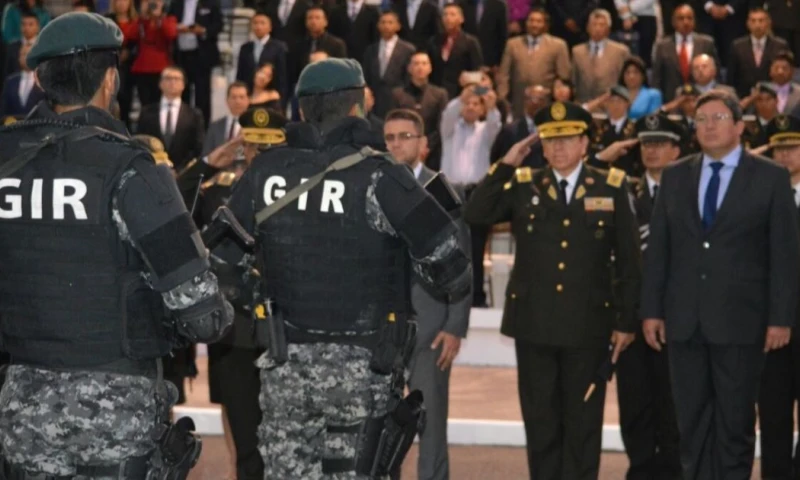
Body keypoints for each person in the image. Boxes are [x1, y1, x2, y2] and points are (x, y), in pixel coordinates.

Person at [0, 12, 233, 478]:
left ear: (40, 79)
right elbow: (203, 316)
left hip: (22, 411)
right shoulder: (130, 168)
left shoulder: (7, 159)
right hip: (114, 414)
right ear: (110, 79)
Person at [223, 58, 472, 478]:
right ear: (358, 108)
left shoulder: (265, 172)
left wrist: (265, 302)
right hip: (364, 371)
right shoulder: (382, 176)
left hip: (285, 366)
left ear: (302, 109)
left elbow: (220, 266)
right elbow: (454, 273)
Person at [464, 101, 641, 480]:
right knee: (541, 422)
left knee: (583, 423)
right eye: (550, 140)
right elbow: (476, 212)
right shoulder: (524, 182)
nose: (558, 147)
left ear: (584, 143)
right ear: (541, 146)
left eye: (567, 139)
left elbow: (629, 260)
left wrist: (626, 322)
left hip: (588, 326)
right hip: (535, 325)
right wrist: (505, 164)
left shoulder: (610, 185)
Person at [640, 90, 800, 480]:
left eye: (718, 118)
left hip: (742, 323)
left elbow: (784, 255)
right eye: (701, 120)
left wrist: (781, 318)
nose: (708, 126)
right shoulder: (676, 176)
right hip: (685, 322)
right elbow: (659, 250)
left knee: (734, 425)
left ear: (740, 126)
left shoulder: (770, 177)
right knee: (691, 425)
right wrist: (652, 311)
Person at [198, 107, 288, 480]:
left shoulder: (303, 192)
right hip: (235, 334)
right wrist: (206, 164)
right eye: (253, 146)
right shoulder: (218, 190)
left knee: (288, 439)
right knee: (246, 445)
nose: (260, 155)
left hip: (283, 330)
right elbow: (183, 220)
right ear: (242, 147)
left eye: (269, 148)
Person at [383, 108, 472, 480]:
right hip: (382, 329)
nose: (396, 144)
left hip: (430, 328)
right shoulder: (374, 188)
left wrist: (455, 326)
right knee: (380, 428)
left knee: (430, 425)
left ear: (423, 144)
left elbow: (461, 262)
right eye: (389, 138)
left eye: (405, 137)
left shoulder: (441, 192)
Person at [615, 113, 683, 480]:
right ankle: (640, 468)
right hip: (633, 313)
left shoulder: (691, 191)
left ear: (676, 149)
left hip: (678, 316)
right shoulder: (624, 191)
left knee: (674, 401)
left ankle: (673, 469)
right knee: (635, 402)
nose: (651, 150)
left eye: (660, 143)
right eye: (646, 144)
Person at [758, 113, 800, 480]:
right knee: (772, 412)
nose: (784, 155)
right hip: (769, 324)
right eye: (778, 148)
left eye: (793, 147)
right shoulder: (758, 199)